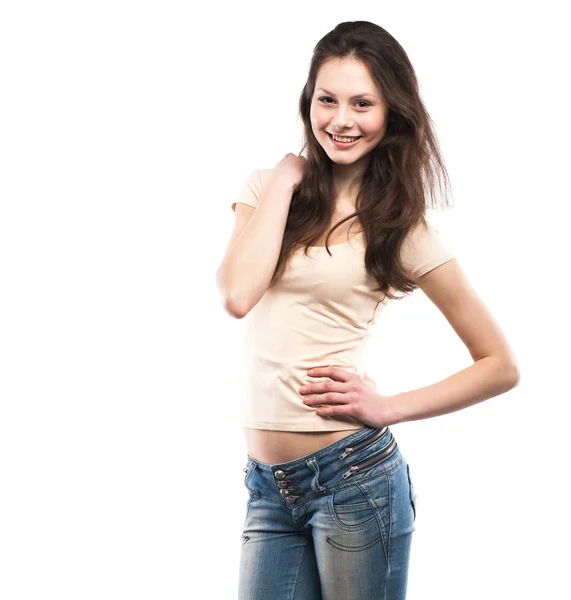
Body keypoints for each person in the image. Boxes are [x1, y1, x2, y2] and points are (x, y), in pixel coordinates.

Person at [216, 20, 520, 600]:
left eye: (363, 103)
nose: (341, 120)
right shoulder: (266, 188)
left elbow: (499, 364)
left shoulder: (398, 226)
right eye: (327, 100)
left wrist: (388, 406)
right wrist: (284, 182)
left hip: (353, 479)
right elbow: (237, 295)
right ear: (309, 101)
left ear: (392, 113)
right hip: (266, 487)